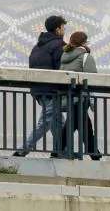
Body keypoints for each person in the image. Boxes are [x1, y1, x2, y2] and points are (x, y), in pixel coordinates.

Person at [13, 14, 66, 157]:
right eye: (63, 27)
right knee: (46, 122)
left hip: (39, 90)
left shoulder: (37, 46)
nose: (64, 30)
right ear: (57, 29)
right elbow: (62, 69)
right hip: (52, 90)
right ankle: (22, 149)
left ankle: (60, 151)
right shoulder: (59, 45)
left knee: (58, 122)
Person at [59, 31, 101, 160]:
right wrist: (93, 99)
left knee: (79, 124)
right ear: (84, 43)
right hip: (81, 97)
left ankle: (93, 152)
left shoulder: (64, 56)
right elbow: (92, 79)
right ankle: (93, 154)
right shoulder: (85, 57)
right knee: (78, 125)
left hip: (68, 96)